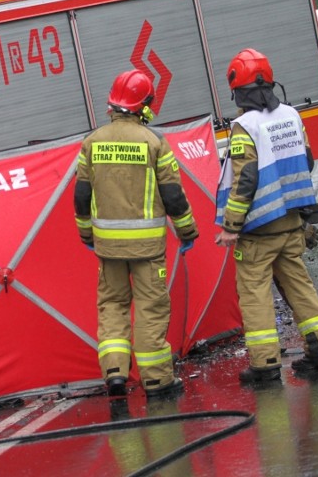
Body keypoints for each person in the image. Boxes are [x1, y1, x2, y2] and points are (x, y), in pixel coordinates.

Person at [215, 49, 318, 383]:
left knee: (254, 294)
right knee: (299, 285)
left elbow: (245, 180)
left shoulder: (245, 126)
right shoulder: (291, 115)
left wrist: (231, 227)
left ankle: (265, 364)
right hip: (290, 222)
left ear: (238, 90)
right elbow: (308, 160)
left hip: (258, 229)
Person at [74, 69, 198, 399]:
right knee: (150, 310)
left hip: (108, 248)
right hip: (147, 248)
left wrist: (87, 235)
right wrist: (187, 231)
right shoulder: (154, 142)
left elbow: (81, 196)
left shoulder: (92, 143)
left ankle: (115, 372)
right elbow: (173, 196)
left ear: (113, 104)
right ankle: (157, 381)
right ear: (143, 105)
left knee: (112, 307)